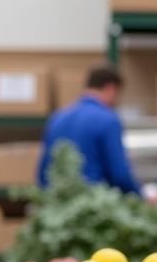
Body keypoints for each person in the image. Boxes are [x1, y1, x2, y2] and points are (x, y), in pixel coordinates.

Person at [36, 64, 142, 194]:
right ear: (111, 89)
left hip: (57, 204)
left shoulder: (57, 118)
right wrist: (140, 196)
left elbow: (43, 173)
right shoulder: (108, 120)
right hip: (91, 205)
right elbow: (119, 175)